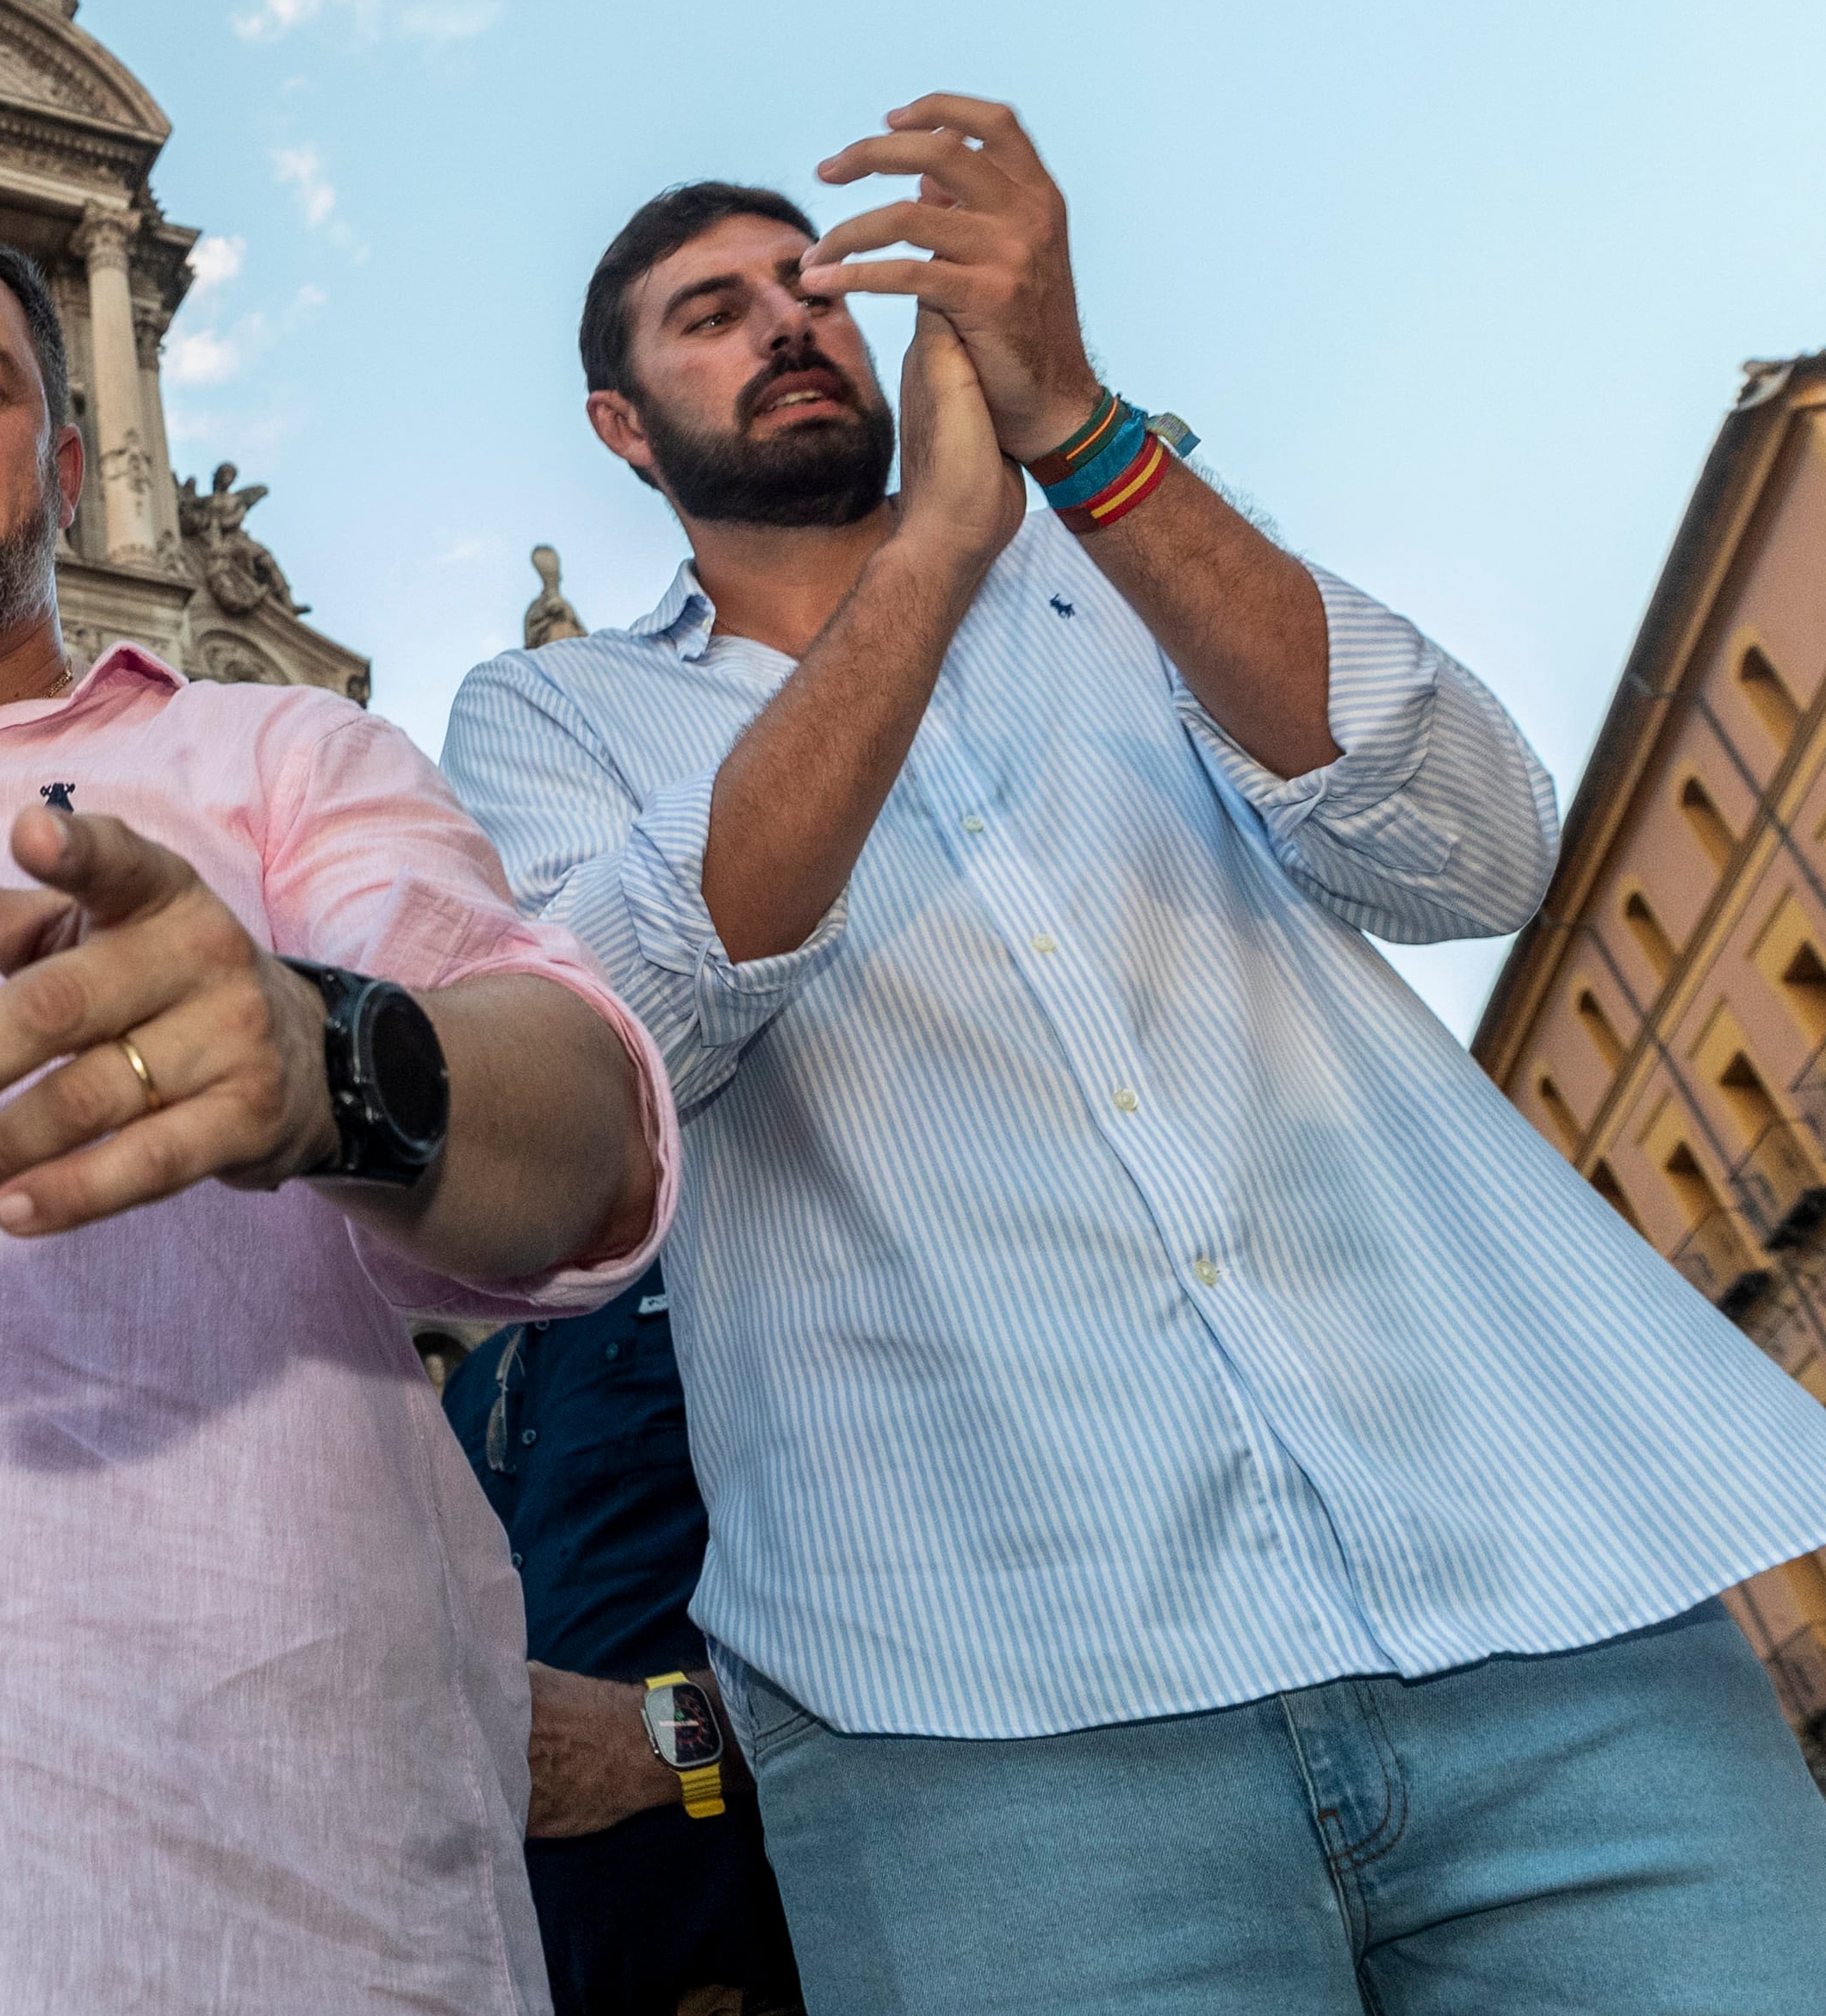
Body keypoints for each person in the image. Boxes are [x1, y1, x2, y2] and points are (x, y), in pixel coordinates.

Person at [439, 100, 1826, 2013]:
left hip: (1545, 1617)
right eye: (711, 311)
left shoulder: (1129, 575)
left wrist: (1083, 434)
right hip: (991, 1735)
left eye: (818, 286)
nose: (789, 323)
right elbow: (614, 1039)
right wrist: (927, 556)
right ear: (620, 424)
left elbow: (1468, 844)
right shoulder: (546, 714)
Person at [0, 201, 680, 2013]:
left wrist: (331, 1061)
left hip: (254, 1940)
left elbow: (585, 1125)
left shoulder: (278, 764)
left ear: (74, 469)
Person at [444, 1278, 799, 2014]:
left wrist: (648, 1742)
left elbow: (871, 1629)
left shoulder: (728, 1279)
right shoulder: (469, 1389)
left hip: (743, 1973)